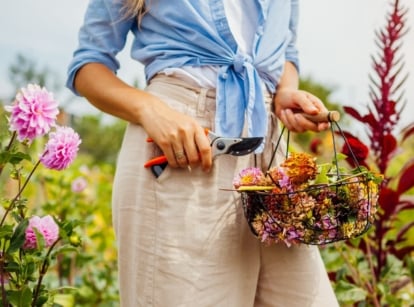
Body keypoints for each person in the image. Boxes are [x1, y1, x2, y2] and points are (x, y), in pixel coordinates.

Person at [67, 0, 339, 306]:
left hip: (267, 160)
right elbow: (88, 67)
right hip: (183, 150)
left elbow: (286, 54)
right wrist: (149, 109)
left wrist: (283, 93)